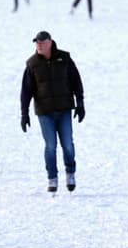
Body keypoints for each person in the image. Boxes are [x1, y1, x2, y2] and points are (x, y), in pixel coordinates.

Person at [20, 30, 86, 193]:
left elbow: (76, 81)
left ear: (50, 42)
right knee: (50, 146)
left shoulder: (64, 58)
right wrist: (24, 113)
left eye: (42, 42)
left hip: (64, 110)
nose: (39, 45)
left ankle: (70, 173)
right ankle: (52, 178)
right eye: (37, 43)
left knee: (68, 144)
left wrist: (80, 103)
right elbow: (26, 91)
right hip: (45, 112)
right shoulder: (32, 64)